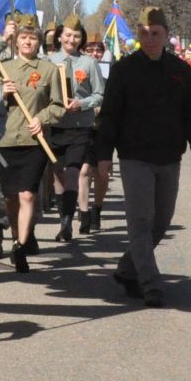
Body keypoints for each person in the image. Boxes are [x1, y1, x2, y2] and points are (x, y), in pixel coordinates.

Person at [93, 7, 191, 307]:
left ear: (166, 35)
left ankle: (128, 268)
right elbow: (110, 115)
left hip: (170, 155)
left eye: (155, 33)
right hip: (135, 156)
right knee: (141, 220)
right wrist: (103, 155)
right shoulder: (124, 69)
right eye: (144, 33)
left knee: (162, 219)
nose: (149, 38)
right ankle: (151, 283)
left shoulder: (180, 70)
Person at [0, 14, 63, 274]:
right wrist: (2, 94)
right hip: (7, 140)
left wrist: (42, 118)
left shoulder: (48, 70)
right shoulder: (4, 70)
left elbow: (58, 105)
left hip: (35, 142)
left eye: (32, 38)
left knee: (27, 194)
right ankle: (15, 236)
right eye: (23, 37)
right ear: (17, 40)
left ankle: (21, 247)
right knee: (11, 197)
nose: (27, 42)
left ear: (39, 41)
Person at [45, 21, 101, 243]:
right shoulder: (48, 61)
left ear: (81, 39)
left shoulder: (88, 63)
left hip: (80, 127)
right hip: (56, 126)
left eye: (76, 36)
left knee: (72, 173)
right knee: (58, 176)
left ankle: (67, 222)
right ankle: (64, 218)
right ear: (59, 37)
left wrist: (83, 103)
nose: (71, 40)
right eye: (67, 35)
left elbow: (99, 94)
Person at [77, 20, 112, 234]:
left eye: (98, 49)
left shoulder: (111, 71)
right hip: (83, 125)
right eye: (90, 49)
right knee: (83, 171)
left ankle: (97, 208)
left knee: (101, 174)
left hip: (104, 128)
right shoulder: (79, 68)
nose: (95, 53)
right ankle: (83, 214)